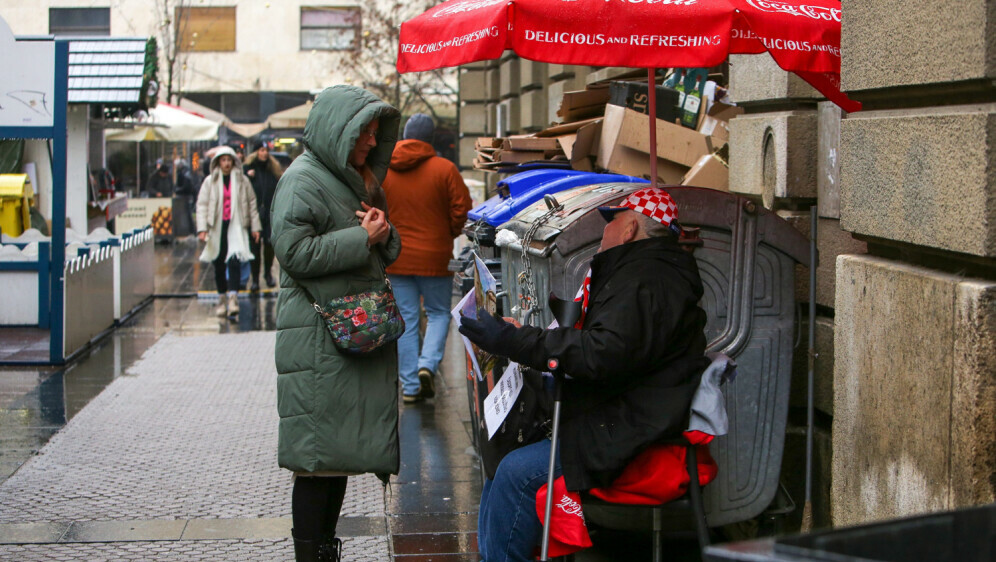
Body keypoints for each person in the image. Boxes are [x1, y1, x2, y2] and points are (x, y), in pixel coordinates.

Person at [458, 187, 710, 562]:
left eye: (612, 222)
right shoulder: (643, 271)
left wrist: (515, 340)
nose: (603, 232)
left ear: (629, 230)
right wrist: (522, 338)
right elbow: (604, 345)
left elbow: (602, 354)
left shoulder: (647, 280)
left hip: (628, 426)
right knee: (500, 452)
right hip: (617, 408)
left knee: (516, 472)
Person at [269, 85, 402, 562]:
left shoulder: (353, 177)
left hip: (343, 332)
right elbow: (294, 253)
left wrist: (380, 233)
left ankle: (325, 549)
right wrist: (360, 239)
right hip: (318, 337)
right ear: (338, 131)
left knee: (338, 451)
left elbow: (379, 238)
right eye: (363, 132)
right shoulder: (302, 180)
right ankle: (312, 553)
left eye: (374, 133)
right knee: (316, 457)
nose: (371, 141)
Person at [382, 113, 472, 403]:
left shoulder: (384, 170)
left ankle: (409, 387)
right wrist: (448, 233)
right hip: (435, 256)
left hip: (396, 257)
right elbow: (462, 209)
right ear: (431, 139)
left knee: (406, 320)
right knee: (437, 314)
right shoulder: (445, 169)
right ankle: (427, 366)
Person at [195, 146, 262, 318]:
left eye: (229, 160)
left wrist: (255, 227)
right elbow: (202, 205)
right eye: (223, 160)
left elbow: (251, 203)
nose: (226, 164)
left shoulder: (242, 181)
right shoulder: (210, 181)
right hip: (217, 226)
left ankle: (233, 297)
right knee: (218, 263)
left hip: (236, 226)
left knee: (234, 261)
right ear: (218, 162)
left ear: (233, 162)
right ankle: (221, 297)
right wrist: (202, 229)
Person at [243, 139, 283, 291]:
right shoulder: (248, 169)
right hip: (254, 214)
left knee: (269, 247)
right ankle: (255, 279)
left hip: (270, 215)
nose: (264, 153)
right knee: (254, 248)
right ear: (256, 152)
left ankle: (267, 274)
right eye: (261, 150)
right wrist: (247, 174)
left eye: (266, 150)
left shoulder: (273, 170)